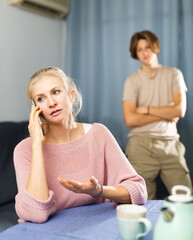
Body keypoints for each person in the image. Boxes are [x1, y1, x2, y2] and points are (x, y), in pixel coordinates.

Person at [14, 67, 147, 223]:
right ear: (36, 109)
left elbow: (139, 191)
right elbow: (36, 214)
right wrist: (36, 144)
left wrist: (99, 191)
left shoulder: (99, 134)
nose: (51, 103)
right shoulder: (24, 150)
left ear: (71, 95)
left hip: (97, 227)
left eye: (56, 92)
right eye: (41, 98)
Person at [122, 30, 193, 200]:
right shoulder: (132, 81)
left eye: (147, 47)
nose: (144, 52)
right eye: (139, 49)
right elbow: (130, 119)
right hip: (140, 146)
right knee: (141, 201)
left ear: (156, 48)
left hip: (170, 145)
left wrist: (145, 109)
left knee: (187, 199)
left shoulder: (174, 74)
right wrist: (165, 112)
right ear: (135, 53)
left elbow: (179, 111)